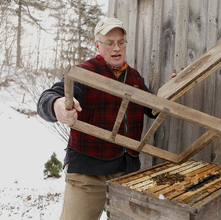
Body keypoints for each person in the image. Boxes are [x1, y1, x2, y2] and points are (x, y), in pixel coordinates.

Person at [37, 17, 175, 220]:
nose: (116, 48)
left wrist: (171, 91)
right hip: (88, 175)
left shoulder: (135, 78)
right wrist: (57, 105)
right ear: (97, 45)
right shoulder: (84, 72)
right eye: (109, 43)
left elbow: (152, 109)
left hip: (126, 173)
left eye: (121, 42)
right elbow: (47, 98)